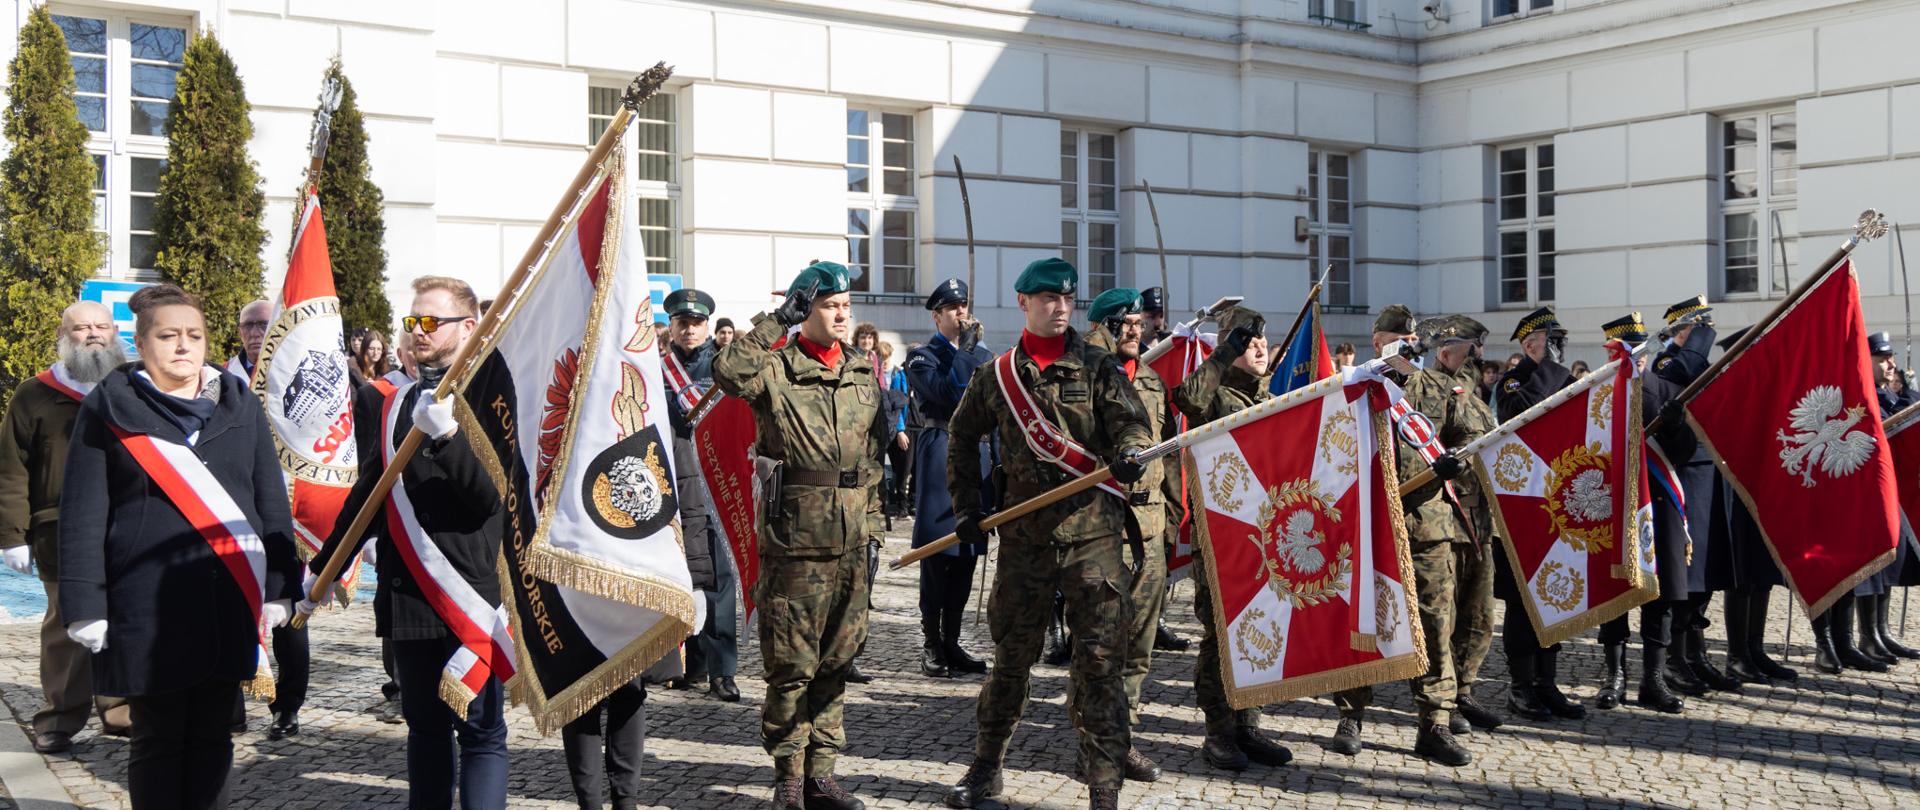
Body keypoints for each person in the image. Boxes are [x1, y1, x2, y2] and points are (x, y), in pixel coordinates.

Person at [59, 284, 302, 806]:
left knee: (215, 736)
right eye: (168, 336)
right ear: (142, 344)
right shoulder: (109, 407)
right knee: (157, 739)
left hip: (227, 598)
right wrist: (85, 604)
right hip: (146, 606)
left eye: (194, 334)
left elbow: (268, 498)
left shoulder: (239, 403)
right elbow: (83, 512)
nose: (183, 345)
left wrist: (281, 585)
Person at [944, 257, 1153, 810]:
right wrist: (968, 505)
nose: (1060, 308)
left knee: (1101, 664)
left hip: (1093, 538)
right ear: (1024, 302)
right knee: (1011, 660)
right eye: (1047, 299)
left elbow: (1131, 421)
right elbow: (961, 436)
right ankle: (986, 767)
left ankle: (1104, 786)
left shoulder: (1098, 365)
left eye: (1066, 299)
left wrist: (1130, 451)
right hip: (1024, 541)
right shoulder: (998, 376)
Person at [308, 276, 511, 808]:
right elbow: (369, 496)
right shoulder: (394, 402)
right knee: (424, 729)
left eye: (432, 322)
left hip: (468, 593)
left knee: (481, 732)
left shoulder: (494, 396)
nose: (419, 332)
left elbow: (489, 499)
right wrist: (325, 566)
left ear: (468, 327)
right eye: (413, 321)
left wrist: (448, 438)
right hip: (408, 593)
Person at [714, 261, 886, 810]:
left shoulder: (861, 371)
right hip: (796, 545)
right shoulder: (776, 367)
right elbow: (727, 373)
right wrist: (776, 321)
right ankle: (789, 777)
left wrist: (873, 530)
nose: (842, 314)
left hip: (852, 544)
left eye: (846, 306)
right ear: (805, 309)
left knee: (837, 662)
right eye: (830, 305)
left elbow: (873, 458)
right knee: (791, 667)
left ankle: (822, 775)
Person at [1328, 306, 1487, 767]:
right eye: (1397, 338)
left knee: (1436, 624)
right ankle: (1351, 715)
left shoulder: (1436, 388)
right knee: (1364, 620)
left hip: (1427, 525)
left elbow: (1470, 440)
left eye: (1412, 339)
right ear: (1378, 343)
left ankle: (1434, 722)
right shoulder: (1350, 388)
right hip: (1365, 525)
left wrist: (1456, 462)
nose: (1407, 345)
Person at [1, 301, 134, 754]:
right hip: (59, 530)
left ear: (114, 333)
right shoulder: (34, 394)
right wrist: (11, 536)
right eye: (81, 328)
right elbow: (11, 470)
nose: (93, 334)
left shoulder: (133, 388)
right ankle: (58, 717)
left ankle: (119, 709)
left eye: (101, 326)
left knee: (124, 616)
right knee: (66, 624)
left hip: (126, 525)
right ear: (63, 335)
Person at [1168, 304, 1296, 772]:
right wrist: (1224, 353)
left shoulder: (1269, 397)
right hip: (1222, 533)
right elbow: (1187, 400)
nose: (1260, 348)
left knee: (1259, 626)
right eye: (1249, 341)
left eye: (1262, 340)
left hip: (1265, 533)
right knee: (1222, 632)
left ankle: (1248, 722)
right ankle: (1219, 730)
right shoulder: (1217, 394)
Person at [1081, 287, 1184, 780]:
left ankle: (1124, 737)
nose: (1136, 331)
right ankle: (1092, 744)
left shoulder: (1150, 379)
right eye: (1126, 323)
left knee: (1140, 645)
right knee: (1101, 646)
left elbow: (1168, 452)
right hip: (1105, 527)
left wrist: (1174, 516)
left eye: (1140, 323)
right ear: (1105, 325)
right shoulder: (1085, 377)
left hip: (1151, 525)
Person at [1596, 296, 1717, 714]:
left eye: (1641, 351)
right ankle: (1614, 676)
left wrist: (1678, 426)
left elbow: (1683, 454)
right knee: (1615, 592)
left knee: (1660, 593)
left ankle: (1653, 678)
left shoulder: (1667, 390)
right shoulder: (1597, 395)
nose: (1637, 358)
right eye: (1627, 352)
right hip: (1614, 503)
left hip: (1660, 503)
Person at [221, 299, 314, 742]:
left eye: (263, 324)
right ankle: (230, 707)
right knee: (228, 610)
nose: (256, 333)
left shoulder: (300, 374)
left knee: (288, 612)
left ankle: (287, 706)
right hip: (233, 509)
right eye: (248, 326)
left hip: (286, 513)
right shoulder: (219, 380)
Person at [1493, 307, 1585, 723]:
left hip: (1558, 502)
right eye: (1552, 341)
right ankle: (1521, 686)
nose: (1558, 348)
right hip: (1523, 504)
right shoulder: (1514, 381)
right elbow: (1521, 416)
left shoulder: (1562, 379)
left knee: (1556, 594)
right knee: (1521, 599)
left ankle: (1547, 683)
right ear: (1530, 345)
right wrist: (1548, 367)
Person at [905, 278, 996, 680]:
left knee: (967, 553)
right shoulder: (922, 357)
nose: (961, 314)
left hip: (976, 455)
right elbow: (951, 393)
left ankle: (952, 640)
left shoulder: (982, 355)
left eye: (964, 307)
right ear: (937, 316)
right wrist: (968, 352)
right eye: (953, 308)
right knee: (937, 554)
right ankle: (931, 642)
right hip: (940, 451)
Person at [660, 288, 741, 703]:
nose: (689, 330)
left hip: (714, 484)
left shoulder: (723, 366)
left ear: (708, 325)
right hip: (672, 484)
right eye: (681, 323)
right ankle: (691, 664)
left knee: (719, 581)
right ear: (671, 326)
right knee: (681, 575)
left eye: (696, 323)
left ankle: (723, 671)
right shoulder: (656, 368)